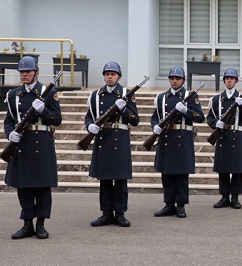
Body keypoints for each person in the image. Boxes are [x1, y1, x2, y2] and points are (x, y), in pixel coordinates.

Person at [4, 55, 62, 240]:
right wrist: (10, 133)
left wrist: (43, 111)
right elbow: (9, 120)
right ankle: (27, 223)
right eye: (22, 72)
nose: (24, 75)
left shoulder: (48, 92)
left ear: (36, 73)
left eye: (28, 72)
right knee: (24, 186)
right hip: (23, 144)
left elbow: (57, 119)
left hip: (42, 142)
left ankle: (41, 223)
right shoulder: (14, 94)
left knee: (43, 187)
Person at [85, 61, 140, 228]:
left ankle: (120, 213)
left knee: (121, 178)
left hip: (120, 137)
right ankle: (106, 212)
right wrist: (90, 126)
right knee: (105, 179)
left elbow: (135, 120)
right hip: (103, 138)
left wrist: (124, 109)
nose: (110, 77)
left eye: (113, 74)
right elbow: (89, 116)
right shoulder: (95, 95)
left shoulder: (126, 94)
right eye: (107, 74)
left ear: (119, 77)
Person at [150, 66, 204, 219]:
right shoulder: (161, 97)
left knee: (181, 174)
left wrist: (186, 110)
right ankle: (168, 204)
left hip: (182, 138)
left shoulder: (190, 96)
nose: (174, 81)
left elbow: (200, 117)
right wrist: (155, 126)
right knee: (166, 173)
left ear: (183, 80)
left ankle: (180, 205)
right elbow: (155, 116)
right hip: (166, 137)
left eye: (177, 78)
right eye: (172, 78)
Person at [207, 68, 242, 209]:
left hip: (237, 136)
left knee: (236, 169)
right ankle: (224, 197)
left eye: (232, 78)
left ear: (236, 81)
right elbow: (210, 118)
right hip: (222, 136)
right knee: (223, 168)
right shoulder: (216, 99)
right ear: (224, 81)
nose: (229, 80)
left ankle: (235, 197)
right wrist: (216, 123)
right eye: (227, 78)